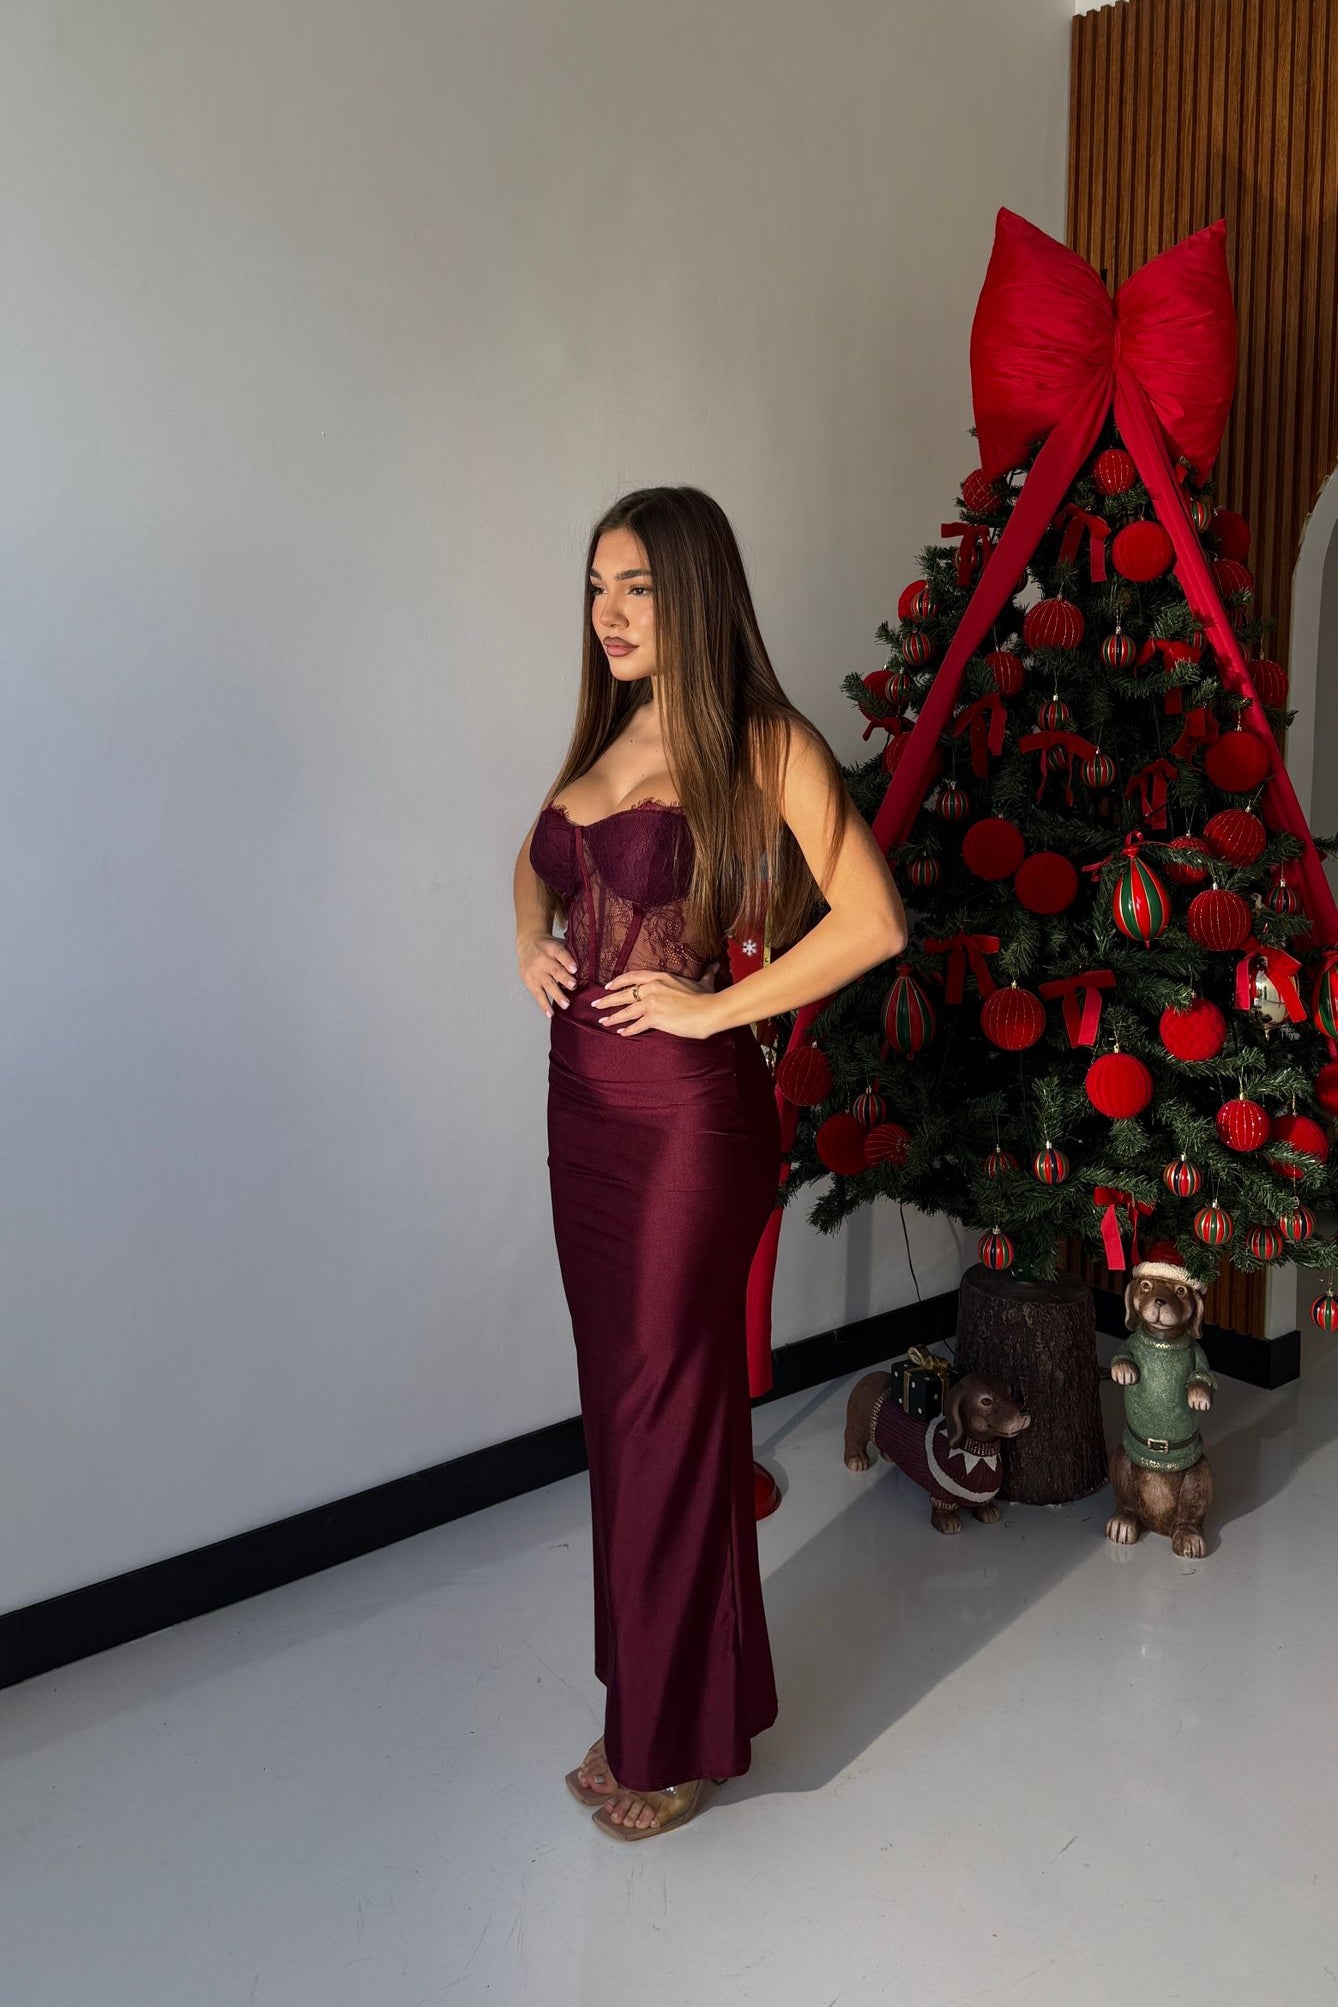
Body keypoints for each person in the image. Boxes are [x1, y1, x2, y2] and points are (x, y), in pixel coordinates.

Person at [513, 486, 907, 1840]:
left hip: (688, 1122)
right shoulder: (609, 731)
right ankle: (662, 1704)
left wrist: (715, 1009)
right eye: (595, 586)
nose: (607, 613)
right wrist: (527, 939)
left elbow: (872, 921)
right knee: (623, 1413)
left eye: (634, 586)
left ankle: (671, 1738)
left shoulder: (760, 739)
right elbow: (538, 863)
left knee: (667, 1415)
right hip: (581, 1116)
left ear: (692, 590)